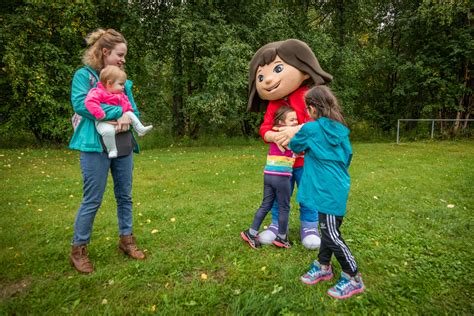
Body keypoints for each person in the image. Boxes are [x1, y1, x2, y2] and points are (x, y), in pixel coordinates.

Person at [68, 28, 146, 274]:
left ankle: (127, 240)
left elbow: (132, 108)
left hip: (122, 143)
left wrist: (127, 114)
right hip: (93, 146)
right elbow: (81, 105)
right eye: (119, 54)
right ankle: (78, 249)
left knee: (125, 195)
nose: (123, 59)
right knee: (92, 198)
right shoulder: (84, 76)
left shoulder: (122, 79)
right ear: (104, 52)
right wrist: (118, 113)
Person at [247, 39, 333, 249]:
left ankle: (310, 226)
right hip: (280, 163)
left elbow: (319, 125)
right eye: (261, 76)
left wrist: (295, 130)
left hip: (305, 161)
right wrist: (272, 136)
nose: (267, 80)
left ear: (304, 70)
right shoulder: (273, 104)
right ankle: (276, 225)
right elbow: (264, 128)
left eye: (277, 69)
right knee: (277, 196)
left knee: (308, 193)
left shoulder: (308, 97)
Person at [289, 85, 365, 299]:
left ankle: (353, 276)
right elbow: (348, 155)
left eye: (307, 108)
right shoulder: (340, 128)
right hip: (338, 184)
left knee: (331, 233)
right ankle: (324, 266)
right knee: (327, 228)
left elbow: (295, 146)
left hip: (326, 188)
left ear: (313, 108)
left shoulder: (310, 129)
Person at [241, 106, 298, 249]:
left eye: (296, 119)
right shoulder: (289, 137)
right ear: (281, 123)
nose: (296, 122)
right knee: (284, 207)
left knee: (265, 205)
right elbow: (301, 148)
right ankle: (282, 238)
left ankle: (251, 232)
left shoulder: (274, 133)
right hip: (282, 178)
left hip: (268, 176)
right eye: (292, 120)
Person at [85, 65, 152, 158]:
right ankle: (112, 149)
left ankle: (140, 129)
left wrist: (127, 113)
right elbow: (90, 102)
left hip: (118, 121)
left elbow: (127, 104)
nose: (123, 87)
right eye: (121, 84)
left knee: (130, 114)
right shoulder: (97, 92)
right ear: (109, 83)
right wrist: (99, 113)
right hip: (103, 121)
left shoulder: (120, 94)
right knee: (108, 132)